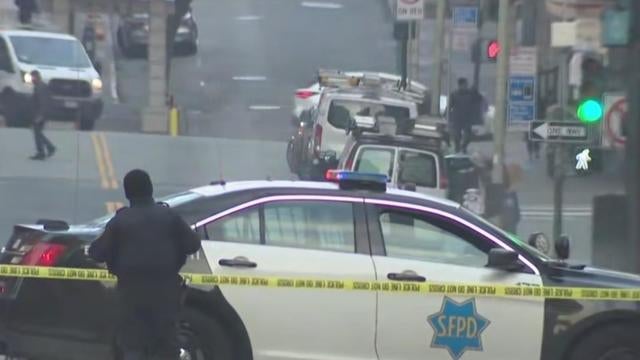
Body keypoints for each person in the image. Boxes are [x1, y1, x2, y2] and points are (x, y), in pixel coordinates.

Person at [88, 169, 201, 360]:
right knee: (167, 348)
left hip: (131, 296)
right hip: (165, 294)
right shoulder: (169, 217)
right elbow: (193, 244)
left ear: (127, 193)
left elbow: (96, 252)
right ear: (150, 189)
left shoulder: (120, 221)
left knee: (133, 347)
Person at [447, 78, 482, 154]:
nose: (465, 86)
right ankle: (457, 148)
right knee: (456, 136)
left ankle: (463, 147)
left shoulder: (470, 93)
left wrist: (475, 91)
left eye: (466, 85)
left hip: (467, 118)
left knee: (468, 136)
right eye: (464, 85)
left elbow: (479, 99)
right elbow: (449, 106)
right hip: (457, 118)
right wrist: (446, 116)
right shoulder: (454, 94)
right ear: (460, 85)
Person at [29, 70, 56, 160]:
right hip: (38, 114)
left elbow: (44, 103)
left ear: (37, 77)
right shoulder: (38, 86)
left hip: (41, 115)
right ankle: (46, 149)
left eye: (33, 77)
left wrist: (40, 116)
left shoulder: (41, 87)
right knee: (37, 133)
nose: (32, 79)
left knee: (37, 133)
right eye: (31, 77)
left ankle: (44, 150)